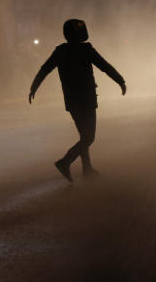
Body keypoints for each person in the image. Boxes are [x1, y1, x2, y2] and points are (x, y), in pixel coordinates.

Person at [29, 19, 126, 182]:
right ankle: (65, 162)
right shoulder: (86, 49)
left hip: (72, 100)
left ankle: (86, 168)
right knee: (89, 137)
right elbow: (105, 66)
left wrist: (33, 88)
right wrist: (120, 81)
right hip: (87, 99)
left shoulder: (60, 51)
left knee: (84, 135)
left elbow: (44, 70)